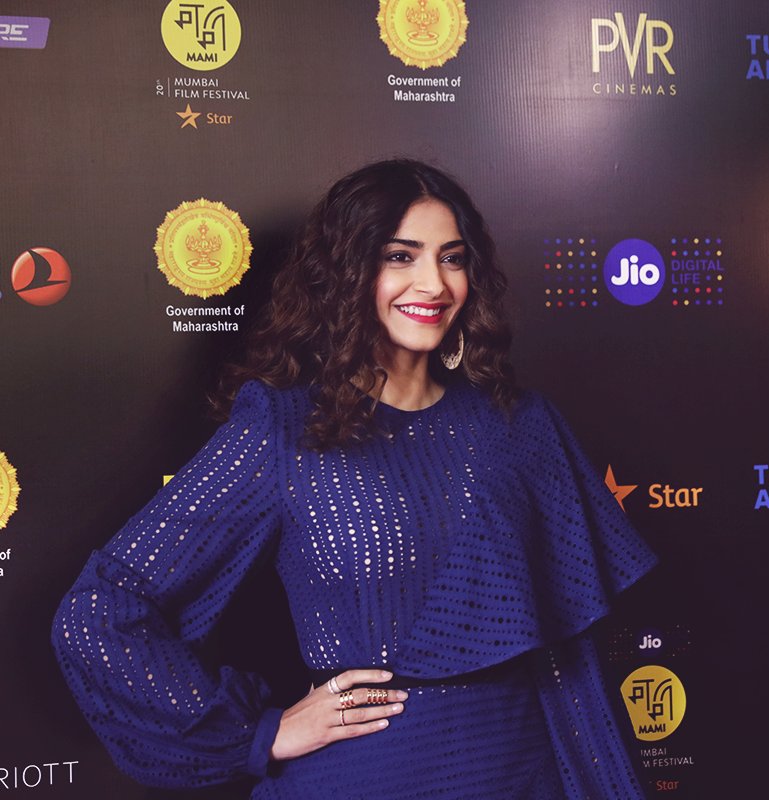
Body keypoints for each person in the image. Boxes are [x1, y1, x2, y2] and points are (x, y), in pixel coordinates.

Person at [52, 160, 657, 799]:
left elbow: (572, 660)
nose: (433, 283)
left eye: (452, 258)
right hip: (362, 780)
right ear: (347, 272)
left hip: (523, 775)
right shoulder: (282, 428)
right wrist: (262, 734)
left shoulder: (521, 425)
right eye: (401, 256)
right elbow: (101, 610)